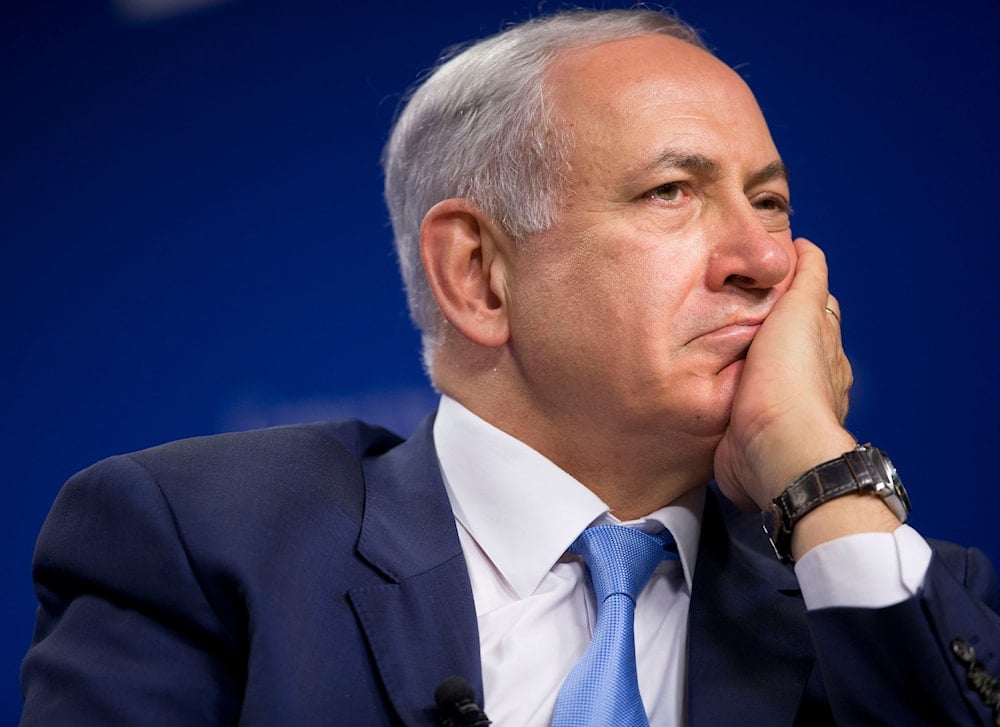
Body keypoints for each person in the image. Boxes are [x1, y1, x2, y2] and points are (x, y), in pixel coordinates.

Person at [20, 8, 1000, 726]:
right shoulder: (207, 544)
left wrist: (814, 468)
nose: (765, 260)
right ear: (480, 275)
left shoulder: (874, 582)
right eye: (671, 191)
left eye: (772, 201)